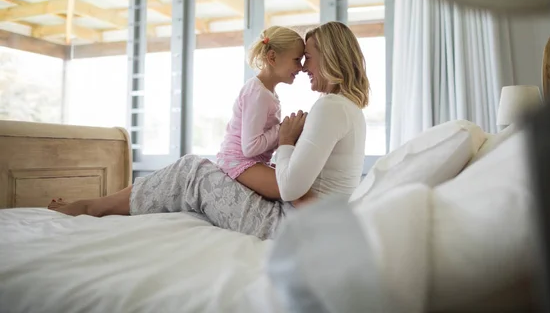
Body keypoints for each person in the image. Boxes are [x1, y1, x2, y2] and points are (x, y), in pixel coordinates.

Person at [50, 22, 370, 241]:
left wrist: (286, 142)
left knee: (191, 170)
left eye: (309, 59)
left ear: (329, 58)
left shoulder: (330, 106)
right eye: (301, 60)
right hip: (305, 220)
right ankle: (99, 204)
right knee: (194, 174)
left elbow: (290, 188)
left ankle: (95, 206)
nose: (304, 68)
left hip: (289, 226)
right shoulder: (349, 108)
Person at [216, 26, 304, 199]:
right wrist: (283, 130)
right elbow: (250, 147)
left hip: (254, 161)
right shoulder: (258, 93)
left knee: (298, 183)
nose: (300, 68)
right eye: (296, 60)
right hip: (238, 161)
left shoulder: (267, 92)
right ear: (272, 57)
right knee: (290, 190)